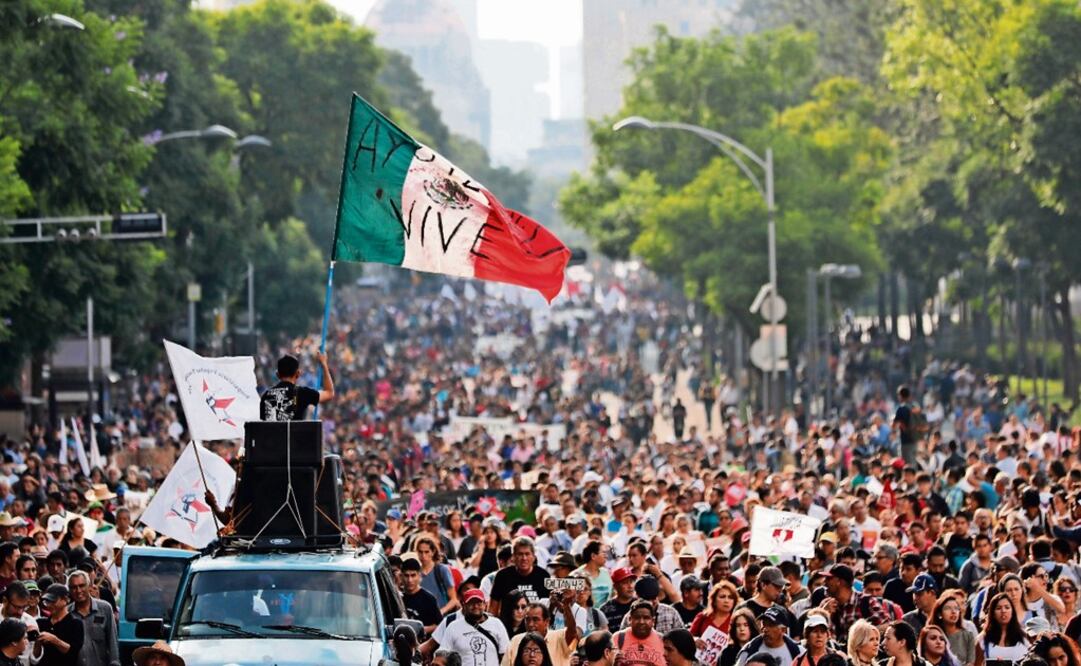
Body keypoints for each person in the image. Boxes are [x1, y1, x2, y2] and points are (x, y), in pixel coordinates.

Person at [422, 589, 509, 666]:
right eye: (471, 603)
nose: (475, 606)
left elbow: (505, 656)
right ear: (463, 605)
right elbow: (443, 656)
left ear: (484, 604)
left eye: (479, 603)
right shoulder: (453, 626)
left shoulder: (496, 624)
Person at [501, 595, 577, 666]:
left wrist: (566, 606)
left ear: (547, 622)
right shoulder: (516, 641)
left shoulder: (559, 637)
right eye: (527, 619)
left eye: (535, 619)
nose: (530, 624)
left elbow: (572, 632)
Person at [259, 352, 334, 422]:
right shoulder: (303, 393)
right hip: (294, 432)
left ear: (277, 374)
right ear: (298, 373)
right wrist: (324, 365)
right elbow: (329, 393)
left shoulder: (265, 396)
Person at [66, 571, 118, 666]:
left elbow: (112, 641)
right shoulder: (67, 613)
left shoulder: (105, 608)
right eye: (74, 587)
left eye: (82, 586)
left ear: (89, 586)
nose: (78, 590)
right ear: (69, 590)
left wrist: (115, 663)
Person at [490, 538, 549, 616]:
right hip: (508, 622)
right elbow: (492, 609)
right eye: (520, 554)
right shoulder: (502, 576)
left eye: (527, 554)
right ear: (513, 557)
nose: (524, 558)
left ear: (534, 557)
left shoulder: (543, 576)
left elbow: (548, 609)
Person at [33, 584, 83, 666]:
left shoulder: (75, 623)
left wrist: (54, 640)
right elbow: (35, 656)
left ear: (65, 600)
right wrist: (37, 642)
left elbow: (73, 652)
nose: (49, 605)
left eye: (53, 601)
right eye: (47, 602)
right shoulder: (41, 623)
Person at [734, 607, 803, 666]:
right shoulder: (748, 651)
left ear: (783, 630)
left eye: (771, 625)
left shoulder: (799, 652)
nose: (765, 629)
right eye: (763, 624)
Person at [618, 577, 683, 636]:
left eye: (653, 598)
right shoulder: (630, 617)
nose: (651, 603)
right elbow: (622, 639)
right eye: (647, 599)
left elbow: (681, 637)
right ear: (637, 597)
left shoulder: (671, 612)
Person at [978, 591, 1029, 663]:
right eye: (998, 608)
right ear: (992, 613)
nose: (1003, 611)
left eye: (1007, 607)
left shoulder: (1024, 637)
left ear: (1012, 611)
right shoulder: (983, 639)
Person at [400, 555, 443, 637]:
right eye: (406, 575)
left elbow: (439, 625)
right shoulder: (398, 597)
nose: (410, 580)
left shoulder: (429, 599)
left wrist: (422, 629)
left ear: (419, 575)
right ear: (401, 576)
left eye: (413, 575)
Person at [613, 600, 665, 666]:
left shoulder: (663, 640)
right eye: (637, 618)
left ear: (653, 621)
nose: (641, 622)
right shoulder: (617, 638)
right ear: (630, 619)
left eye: (646, 618)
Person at [928, 593, 976, 666]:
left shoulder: (967, 635)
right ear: (939, 614)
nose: (953, 612)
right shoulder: (932, 635)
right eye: (948, 608)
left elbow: (971, 662)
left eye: (956, 608)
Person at [416, 537, 459, 616]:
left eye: (426, 552)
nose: (423, 555)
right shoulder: (416, 573)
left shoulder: (442, 570)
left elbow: (453, 599)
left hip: (442, 617)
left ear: (433, 552)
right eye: (420, 552)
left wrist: (441, 612)